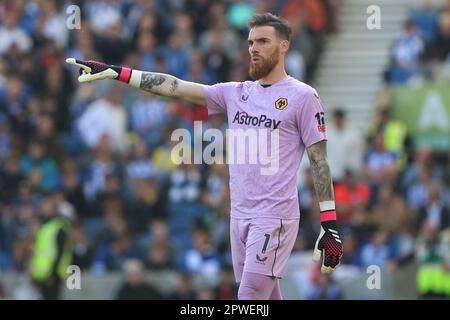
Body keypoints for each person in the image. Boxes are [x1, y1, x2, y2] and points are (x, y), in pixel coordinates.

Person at [66, 12, 343, 300]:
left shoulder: (303, 96)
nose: (254, 49)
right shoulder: (236, 93)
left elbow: (319, 161)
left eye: (263, 41)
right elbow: (173, 86)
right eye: (250, 43)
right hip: (240, 215)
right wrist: (117, 72)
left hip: (274, 217)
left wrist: (330, 224)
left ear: (284, 46)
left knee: (248, 299)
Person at [30, 195, 77, 300]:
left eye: (47, 207)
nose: (44, 209)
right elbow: (38, 252)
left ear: (54, 209)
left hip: (52, 276)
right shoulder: (45, 227)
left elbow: (61, 252)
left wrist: (53, 274)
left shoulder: (60, 227)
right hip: (42, 274)